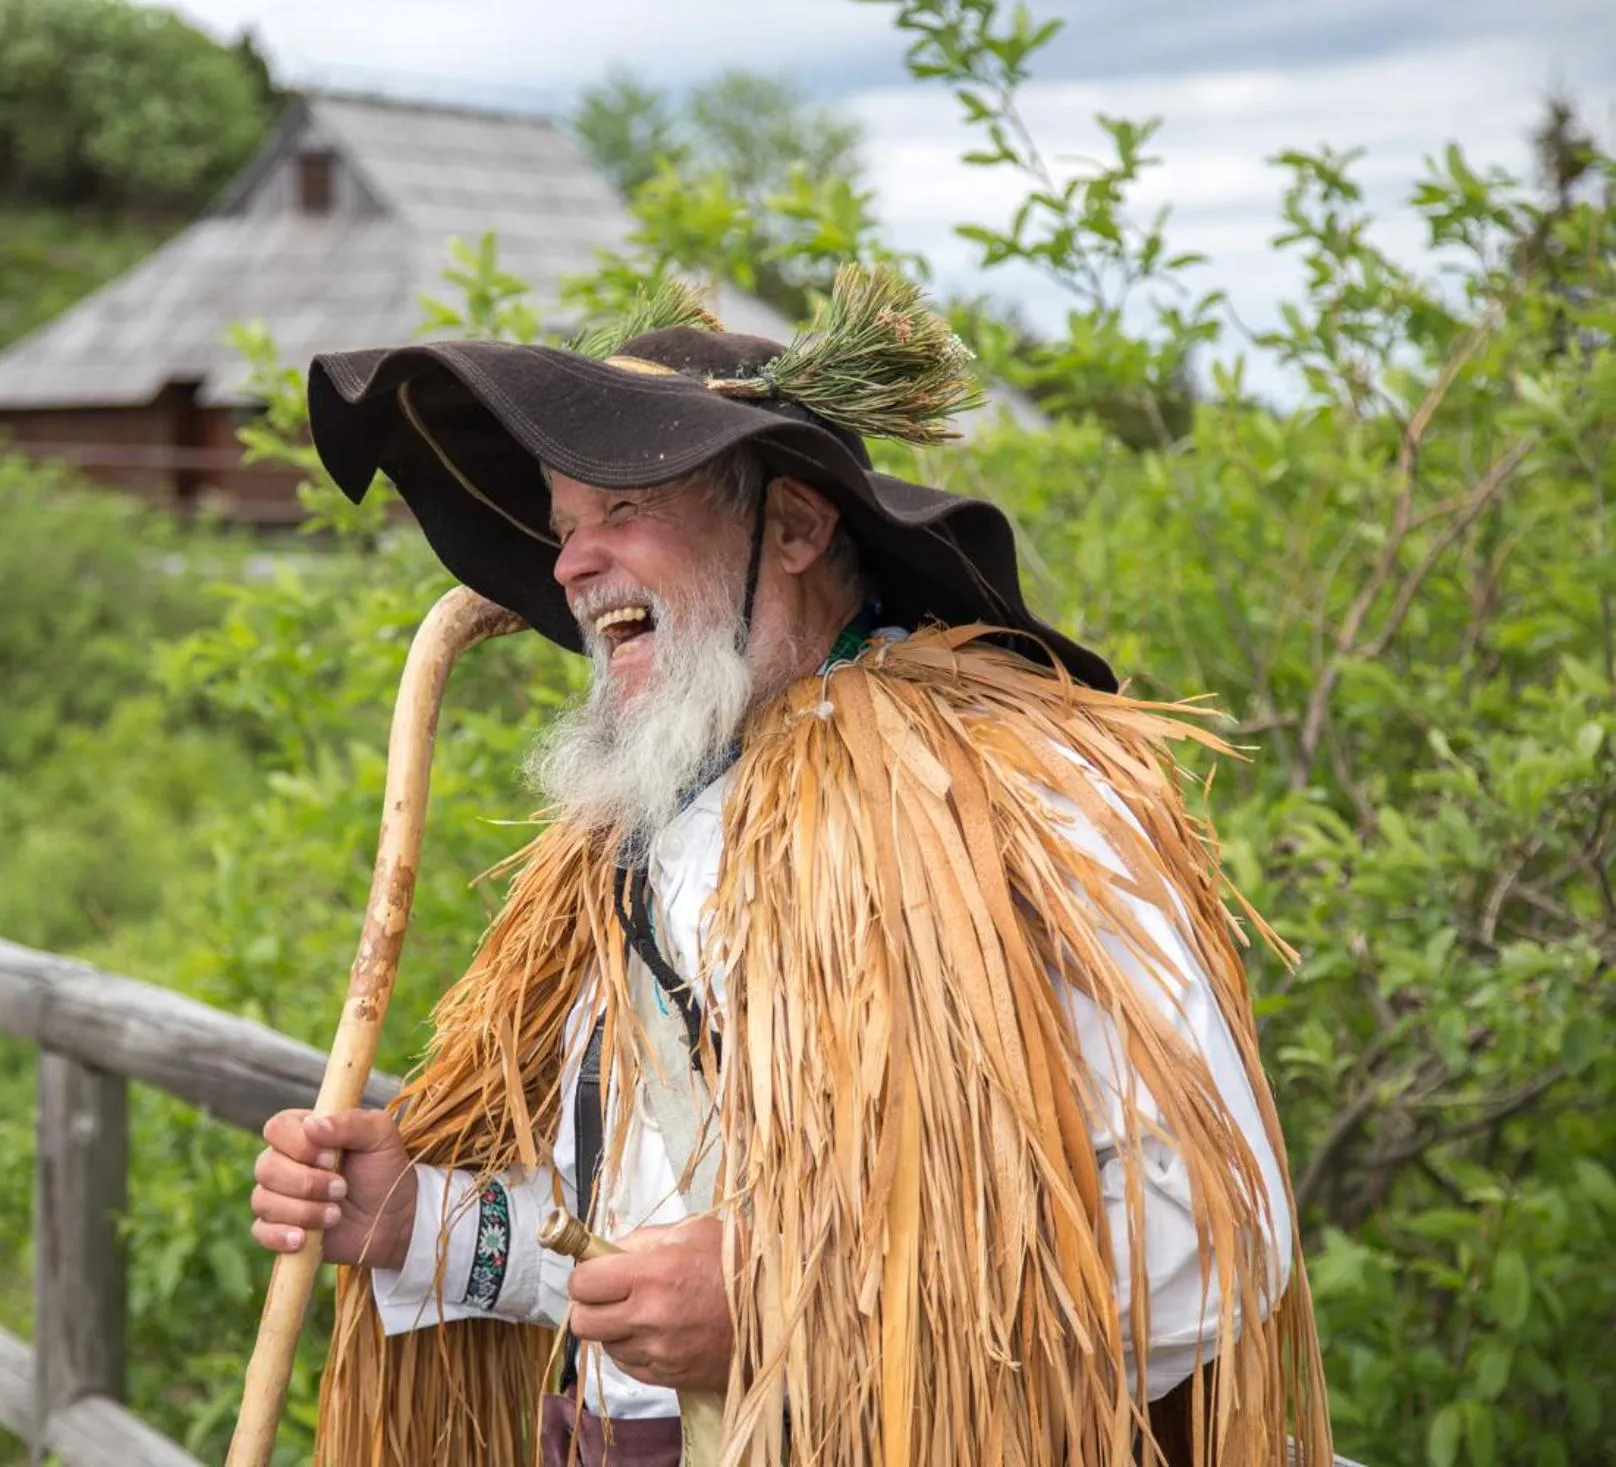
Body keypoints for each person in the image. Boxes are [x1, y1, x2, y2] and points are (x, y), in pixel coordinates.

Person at [247, 268, 1332, 1466]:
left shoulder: (1018, 800)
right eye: (562, 529)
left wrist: (785, 1308)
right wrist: (427, 1223)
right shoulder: (638, 838)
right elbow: (635, 1248)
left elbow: (1208, 1236)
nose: (568, 567)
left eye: (620, 510)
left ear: (798, 529)